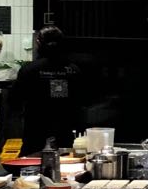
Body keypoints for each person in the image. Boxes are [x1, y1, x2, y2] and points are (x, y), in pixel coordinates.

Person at [6, 25, 90, 155]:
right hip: (65, 133)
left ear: (38, 42)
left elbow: (14, 100)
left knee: (31, 163)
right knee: (65, 163)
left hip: (35, 131)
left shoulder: (29, 69)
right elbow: (83, 101)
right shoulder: (73, 70)